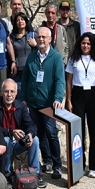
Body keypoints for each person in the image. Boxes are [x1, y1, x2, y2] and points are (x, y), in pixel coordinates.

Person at [18, 26, 65, 179]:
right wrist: (23, 97)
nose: (41, 39)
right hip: (33, 103)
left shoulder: (56, 57)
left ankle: (57, 165)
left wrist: (58, 98)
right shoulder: (32, 57)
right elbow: (25, 79)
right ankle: (48, 161)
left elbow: (60, 80)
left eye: (44, 37)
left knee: (51, 133)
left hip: (48, 104)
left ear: (50, 39)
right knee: (39, 134)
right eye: (39, 37)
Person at [0, 79, 47, 188]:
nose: (9, 95)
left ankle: (35, 173)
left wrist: (30, 134)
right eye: (6, 91)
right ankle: (6, 174)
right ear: (1, 92)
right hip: (2, 143)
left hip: (18, 143)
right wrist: (10, 132)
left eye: (12, 91)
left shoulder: (20, 106)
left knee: (34, 139)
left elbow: (31, 125)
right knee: (6, 139)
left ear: (16, 93)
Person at [65, 32, 95, 178]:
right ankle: (79, 164)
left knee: (94, 131)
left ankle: (93, 166)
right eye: (83, 43)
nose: (85, 46)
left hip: (93, 94)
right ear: (79, 44)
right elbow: (68, 81)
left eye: (88, 43)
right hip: (78, 94)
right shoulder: (73, 59)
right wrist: (68, 100)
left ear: (92, 45)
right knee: (78, 132)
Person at [9, 12, 36, 92]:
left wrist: (35, 45)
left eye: (22, 19)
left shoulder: (32, 35)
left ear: (26, 22)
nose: (20, 21)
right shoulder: (11, 37)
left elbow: (42, 51)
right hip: (17, 72)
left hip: (30, 71)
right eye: (18, 20)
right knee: (19, 95)